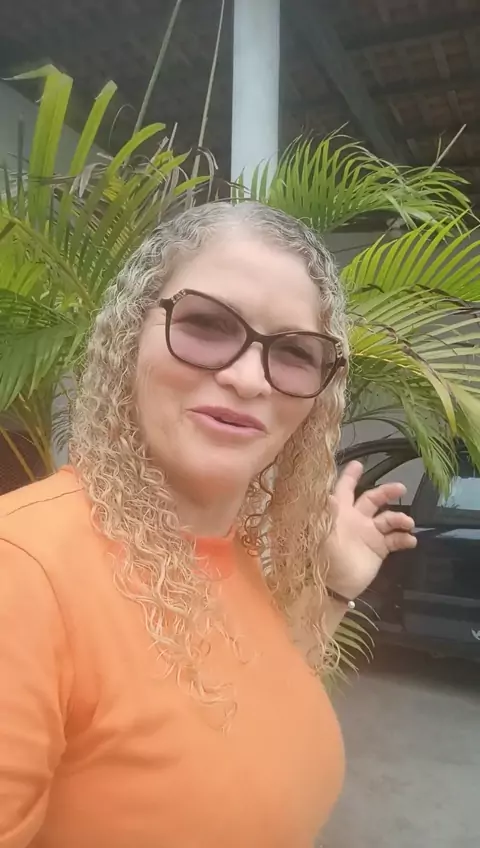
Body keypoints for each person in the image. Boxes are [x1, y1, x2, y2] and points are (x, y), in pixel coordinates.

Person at [0, 201, 416, 848]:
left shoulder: (239, 554)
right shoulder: (22, 571)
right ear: (128, 337)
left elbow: (240, 724)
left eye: (295, 352)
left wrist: (333, 588)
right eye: (207, 323)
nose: (248, 379)